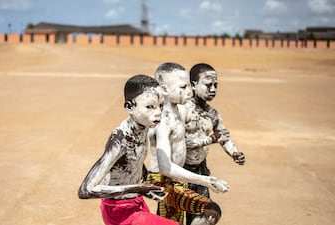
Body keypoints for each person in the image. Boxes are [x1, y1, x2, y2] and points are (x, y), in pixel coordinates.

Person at [78, 74, 180, 225]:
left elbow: (134, 158)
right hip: (118, 210)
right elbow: (86, 190)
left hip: (136, 203)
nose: (158, 112)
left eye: (160, 106)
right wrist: (138, 187)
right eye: (150, 107)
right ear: (129, 107)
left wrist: (145, 183)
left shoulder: (144, 125)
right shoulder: (120, 138)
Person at [147, 62, 229, 225]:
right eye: (183, 87)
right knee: (209, 211)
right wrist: (206, 181)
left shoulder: (179, 110)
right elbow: (165, 167)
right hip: (166, 182)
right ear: (164, 90)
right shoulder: (163, 121)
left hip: (178, 179)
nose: (189, 91)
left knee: (201, 215)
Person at [180, 63, 245, 225]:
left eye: (216, 85)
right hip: (179, 173)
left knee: (206, 215)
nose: (213, 89)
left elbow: (223, 137)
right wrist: (210, 139)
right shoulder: (183, 110)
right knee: (176, 216)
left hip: (201, 173)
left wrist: (234, 153)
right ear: (193, 85)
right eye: (208, 85)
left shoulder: (213, 114)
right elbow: (179, 142)